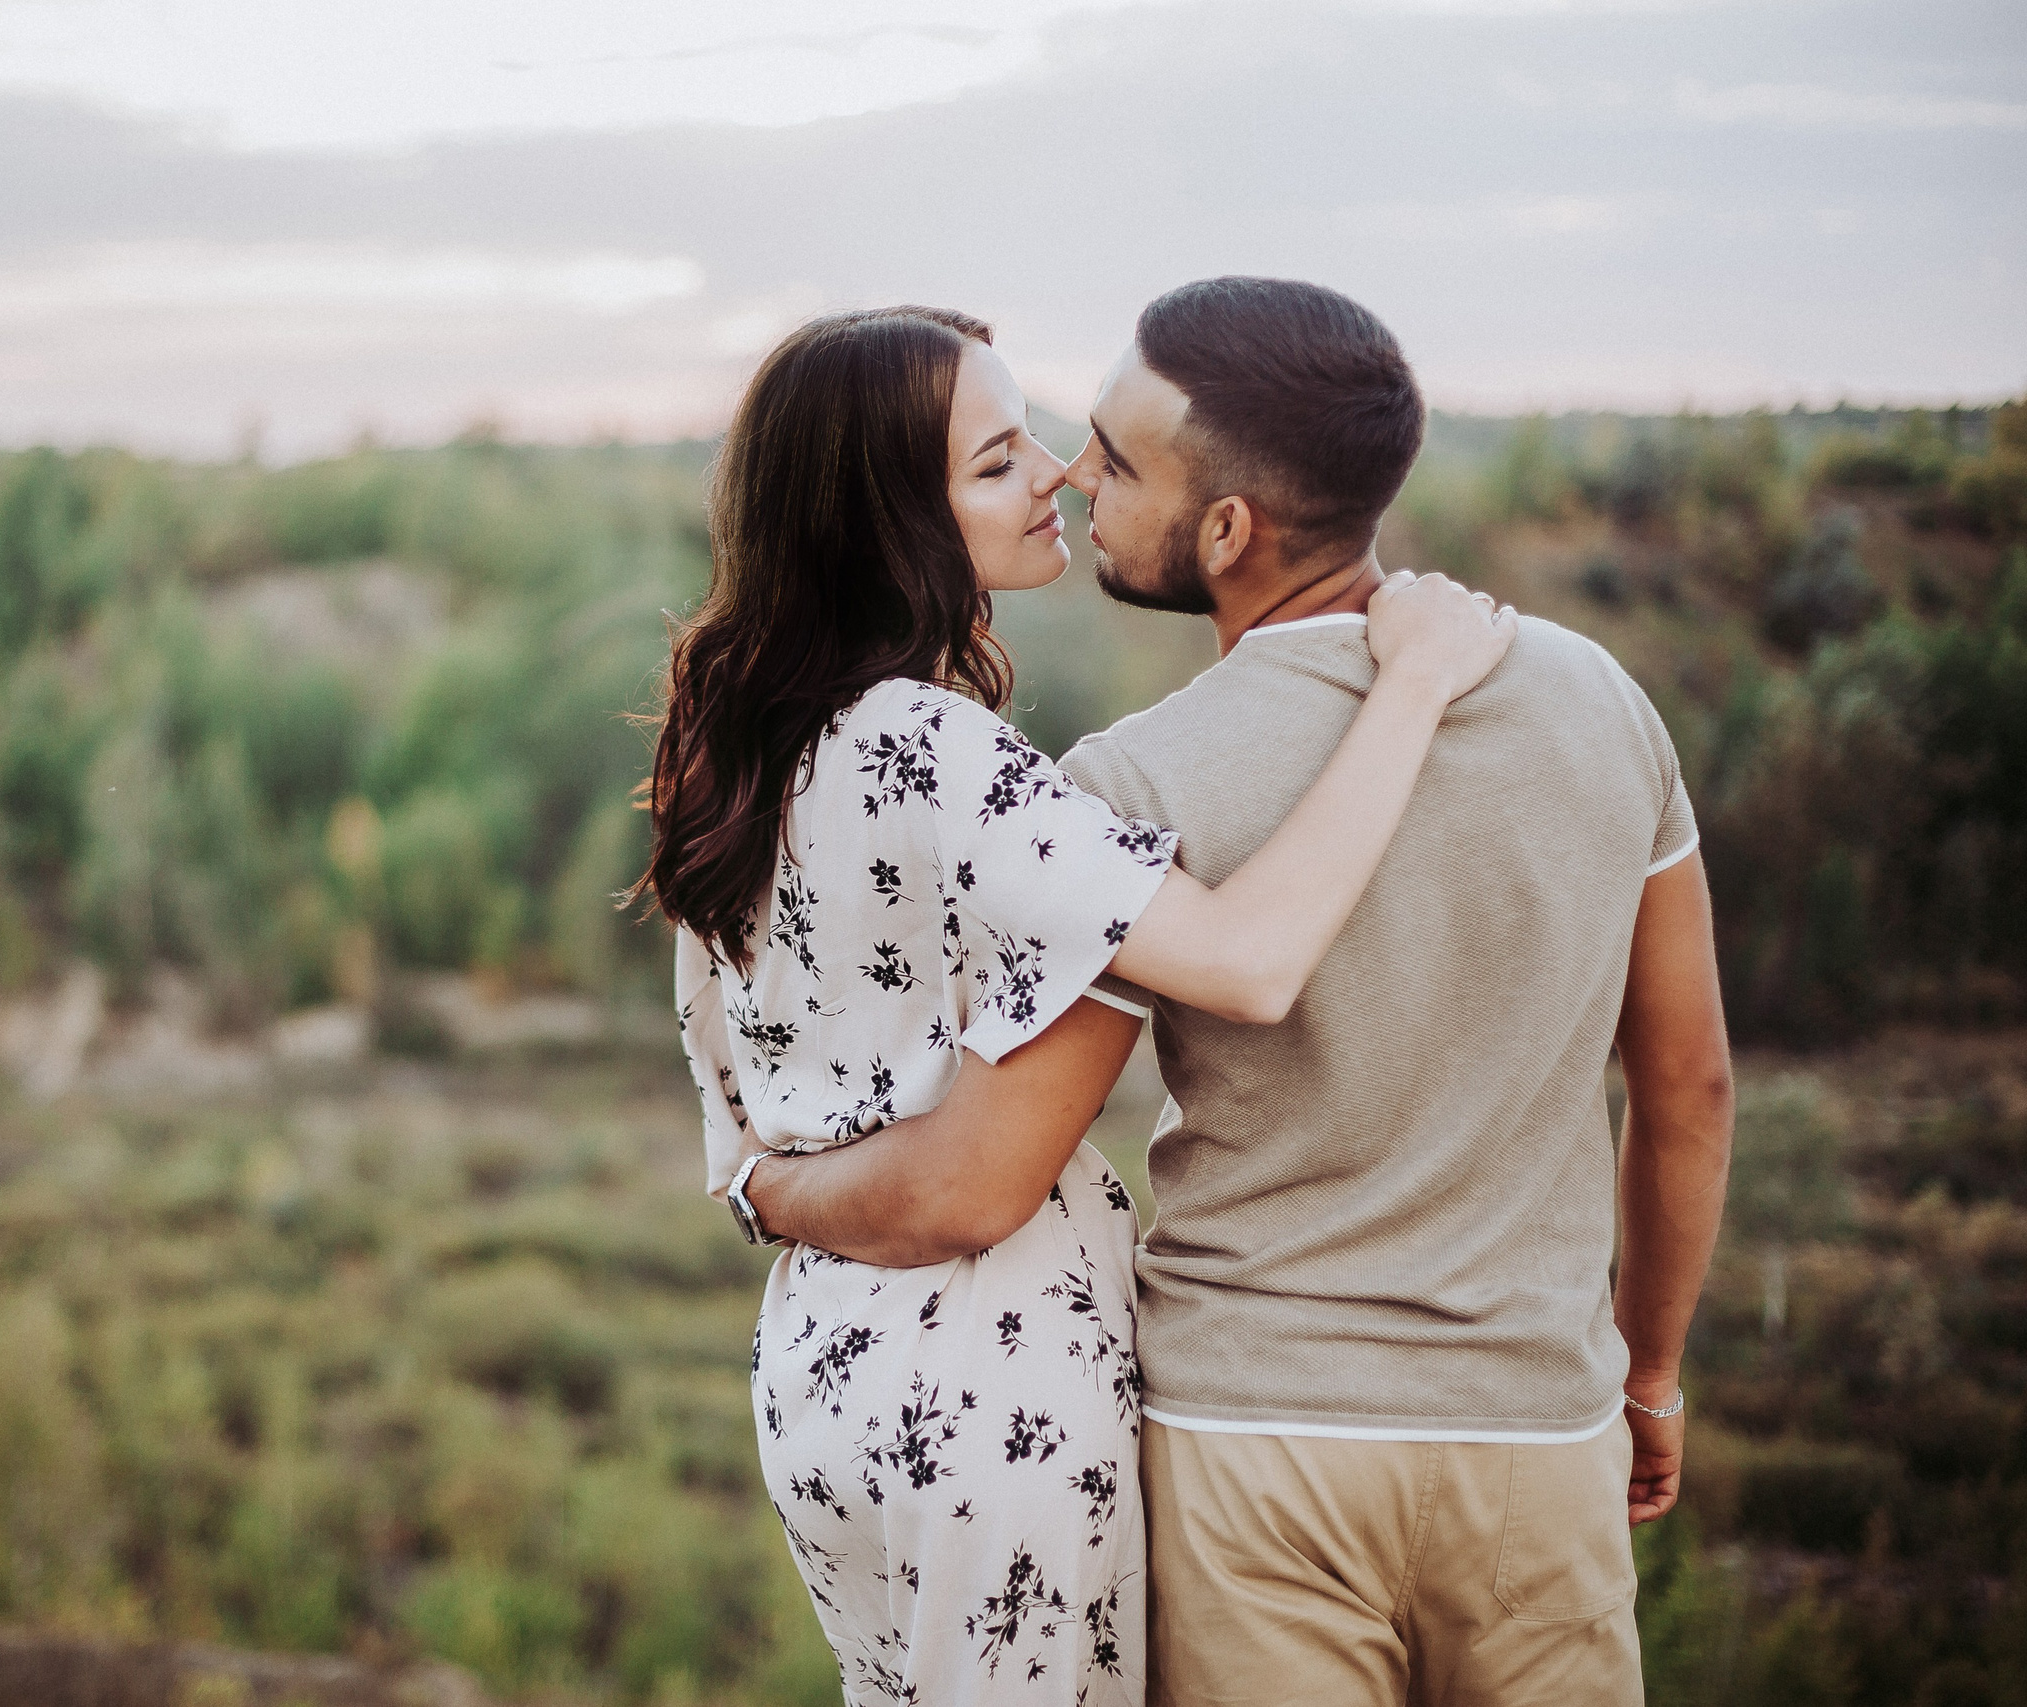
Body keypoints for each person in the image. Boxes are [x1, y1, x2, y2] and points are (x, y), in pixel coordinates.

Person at [741, 279, 1737, 1706]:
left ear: (1226, 532)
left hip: (1252, 1445)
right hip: (1536, 1431)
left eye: (1117, 459)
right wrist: (1652, 1375)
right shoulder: (1602, 708)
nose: (1078, 477)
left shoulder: (1143, 782)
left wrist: (768, 1187)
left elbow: (983, 1177)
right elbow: (1689, 1091)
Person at [642, 302, 1514, 1706]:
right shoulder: (934, 751)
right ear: (887, 527)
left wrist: (765, 1196)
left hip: (822, 1370)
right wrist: (1409, 687)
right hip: (985, 1383)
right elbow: (1247, 964)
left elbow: (731, 1114)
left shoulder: (745, 748)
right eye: (997, 463)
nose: (1055, 471)